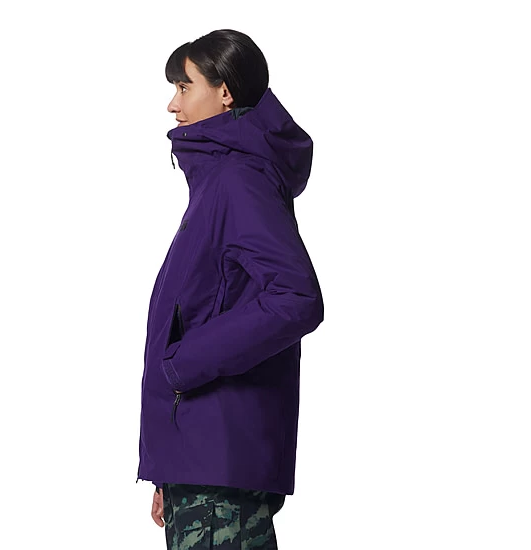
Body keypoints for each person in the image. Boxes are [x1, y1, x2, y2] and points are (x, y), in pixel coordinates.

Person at [137, 29, 324, 549]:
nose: (172, 104)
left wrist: (184, 364)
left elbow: (296, 297)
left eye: (184, 86)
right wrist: (169, 465)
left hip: (220, 464)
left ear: (225, 92)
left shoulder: (239, 180)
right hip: (201, 461)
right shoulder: (218, 182)